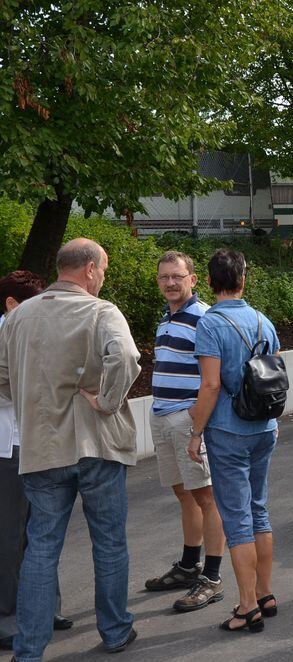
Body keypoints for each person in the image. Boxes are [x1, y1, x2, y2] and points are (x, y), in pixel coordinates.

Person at [0, 239, 141, 659]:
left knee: (41, 547)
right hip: (96, 443)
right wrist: (107, 401)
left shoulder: (18, 316)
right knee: (109, 542)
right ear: (90, 269)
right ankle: (114, 631)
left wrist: (29, 398)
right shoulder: (101, 312)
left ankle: (29, 649)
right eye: (104, 270)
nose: (103, 278)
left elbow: (2, 376)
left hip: (42, 447)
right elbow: (126, 356)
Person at [186, 248, 281, 633]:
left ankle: (247, 607)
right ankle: (265, 593)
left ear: (210, 282)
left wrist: (196, 432)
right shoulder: (263, 321)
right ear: (244, 280)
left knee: (237, 519)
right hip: (264, 428)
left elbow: (210, 385)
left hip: (228, 431)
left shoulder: (210, 324)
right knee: (259, 510)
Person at [144, 251, 226, 612]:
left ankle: (212, 576)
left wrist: (197, 420)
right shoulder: (166, 318)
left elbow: (214, 377)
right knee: (184, 495)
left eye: (177, 276)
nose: (170, 283)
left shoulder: (205, 318)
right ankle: (189, 565)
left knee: (206, 497)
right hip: (162, 416)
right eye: (164, 277)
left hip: (188, 421)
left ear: (192, 279)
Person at [0, 271, 74, 652]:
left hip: (39, 442)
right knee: (11, 535)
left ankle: (46, 608)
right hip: (9, 445)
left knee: (43, 530)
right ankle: (8, 618)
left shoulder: (30, 330)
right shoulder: (4, 334)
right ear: (11, 304)